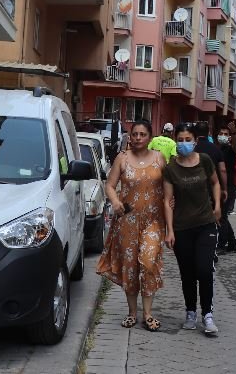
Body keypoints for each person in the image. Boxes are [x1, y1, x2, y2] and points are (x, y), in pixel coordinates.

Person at [96, 120, 168, 331]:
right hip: (127, 221)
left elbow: (169, 186)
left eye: (142, 134)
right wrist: (115, 201)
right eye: (135, 134)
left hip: (153, 221)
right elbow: (110, 185)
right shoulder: (122, 158)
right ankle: (132, 313)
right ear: (130, 136)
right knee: (130, 267)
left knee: (149, 262)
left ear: (150, 137)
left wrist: (172, 207)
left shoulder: (159, 158)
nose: (138, 138)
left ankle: (148, 314)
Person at [163, 123, 222, 336]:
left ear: (195, 141)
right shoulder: (170, 168)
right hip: (182, 228)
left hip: (205, 224)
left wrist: (217, 206)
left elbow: (215, 183)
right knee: (187, 273)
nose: (184, 143)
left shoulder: (204, 160)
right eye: (180, 140)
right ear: (175, 141)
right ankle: (190, 313)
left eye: (188, 139)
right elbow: (167, 200)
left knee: (204, 270)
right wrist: (169, 230)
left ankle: (207, 315)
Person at [213, 125, 236, 252]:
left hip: (229, 186)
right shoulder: (216, 149)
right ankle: (233, 243)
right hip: (218, 186)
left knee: (222, 216)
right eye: (221, 133)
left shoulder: (231, 149)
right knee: (223, 215)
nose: (223, 136)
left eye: (226, 134)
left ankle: (222, 244)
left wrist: (234, 133)